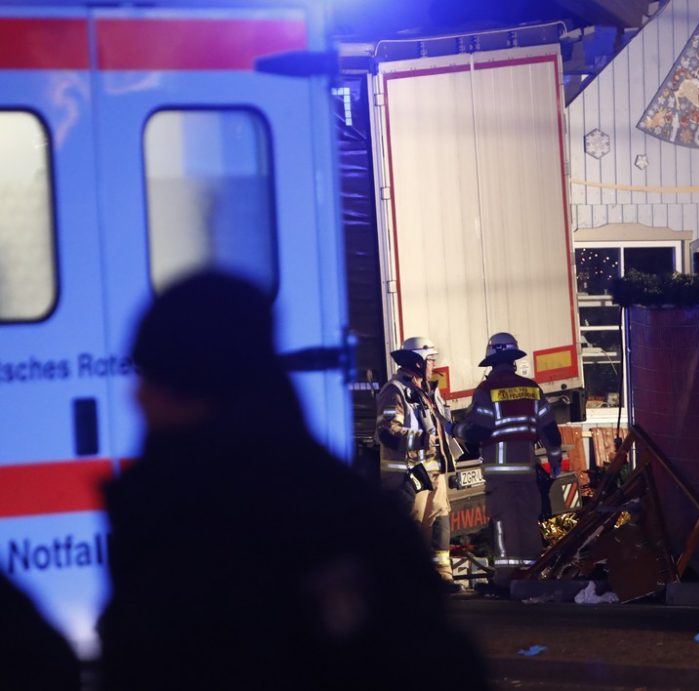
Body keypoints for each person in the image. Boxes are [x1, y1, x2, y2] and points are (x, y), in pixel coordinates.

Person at [98, 271, 486, 691]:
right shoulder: (340, 502)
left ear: (197, 385)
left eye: (152, 378)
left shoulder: (174, 515)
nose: (135, 397)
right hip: (410, 475)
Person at [454, 332, 563, 589]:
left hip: (499, 476)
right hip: (526, 472)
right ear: (513, 359)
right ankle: (531, 575)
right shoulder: (531, 388)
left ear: (491, 362)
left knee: (504, 525)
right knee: (527, 522)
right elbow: (550, 432)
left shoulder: (486, 390)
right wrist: (555, 463)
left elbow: (479, 431)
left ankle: (506, 581)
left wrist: (454, 429)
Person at [375, 336, 458, 588]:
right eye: (430, 359)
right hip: (409, 474)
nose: (433, 363)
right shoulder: (395, 390)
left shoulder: (427, 390)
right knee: (412, 526)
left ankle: (441, 577)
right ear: (417, 361)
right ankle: (409, 581)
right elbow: (387, 431)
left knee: (439, 521)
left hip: (434, 472)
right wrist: (421, 439)